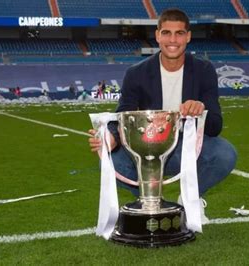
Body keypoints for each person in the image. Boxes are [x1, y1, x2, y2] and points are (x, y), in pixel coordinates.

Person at [88, 8, 237, 224]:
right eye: (166, 33)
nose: (172, 40)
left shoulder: (204, 70)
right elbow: (123, 113)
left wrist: (200, 109)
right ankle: (149, 201)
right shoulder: (136, 73)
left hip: (184, 151)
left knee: (225, 154)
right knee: (111, 163)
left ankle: (190, 199)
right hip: (147, 150)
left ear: (188, 36)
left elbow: (215, 126)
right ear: (157, 35)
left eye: (179, 33)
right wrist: (111, 137)